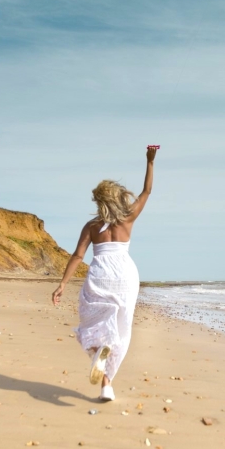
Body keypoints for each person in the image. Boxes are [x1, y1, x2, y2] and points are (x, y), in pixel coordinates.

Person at [52, 146, 157, 401]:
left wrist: (63, 284)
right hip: (125, 275)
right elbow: (147, 191)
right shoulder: (128, 218)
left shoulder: (91, 226)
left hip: (100, 272)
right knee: (120, 327)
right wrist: (150, 161)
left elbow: (78, 256)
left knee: (91, 320)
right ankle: (107, 386)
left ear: (100, 201)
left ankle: (99, 355)